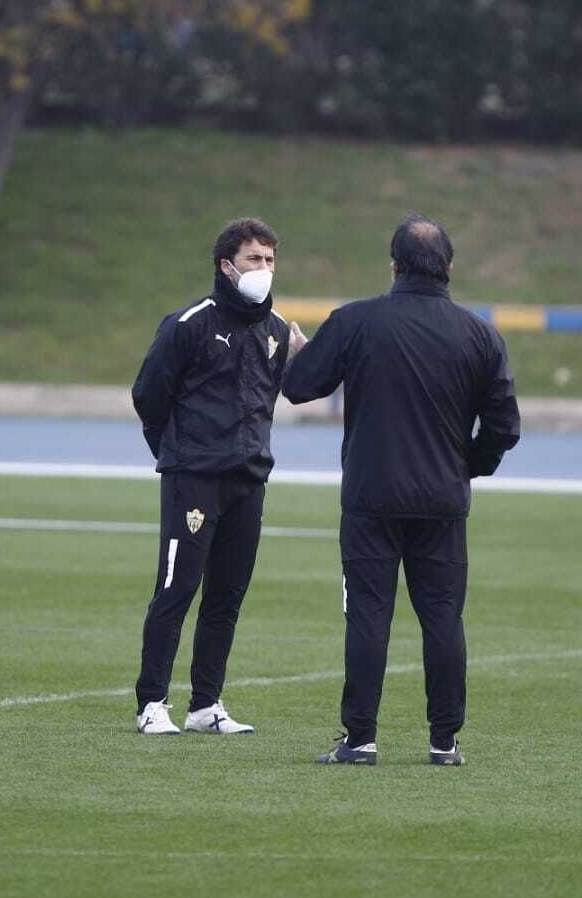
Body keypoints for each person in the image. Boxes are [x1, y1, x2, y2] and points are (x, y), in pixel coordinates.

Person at [282, 214, 520, 766]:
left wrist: (298, 351)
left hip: (370, 497)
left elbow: (297, 388)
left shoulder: (356, 321)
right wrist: (466, 466)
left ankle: (361, 738)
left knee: (367, 614)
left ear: (393, 265)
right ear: (450, 268)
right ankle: (444, 742)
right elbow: (505, 426)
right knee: (442, 618)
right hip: (441, 502)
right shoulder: (480, 332)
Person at [130, 217, 306, 736]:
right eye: (254, 258)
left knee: (227, 595)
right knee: (176, 588)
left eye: (271, 259)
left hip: (248, 481)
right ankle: (151, 704)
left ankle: (206, 704)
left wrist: (304, 356)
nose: (264, 268)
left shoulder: (277, 332)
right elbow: (149, 396)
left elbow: (282, 396)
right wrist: (178, 454)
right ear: (226, 266)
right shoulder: (189, 324)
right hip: (194, 480)